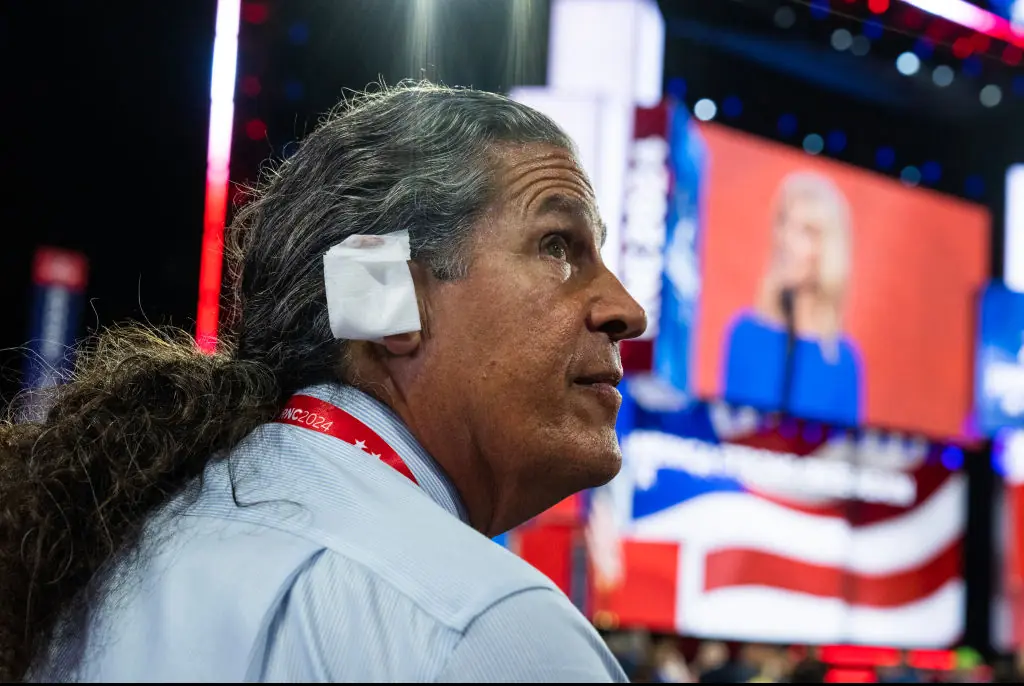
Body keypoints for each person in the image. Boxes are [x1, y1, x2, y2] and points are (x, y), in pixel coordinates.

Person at [0, 82, 646, 682]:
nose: (627, 311)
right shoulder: (479, 628)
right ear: (387, 300)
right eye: (558, 245)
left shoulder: (98, 566)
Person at [722, 171, 861, 427]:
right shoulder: (745, 333)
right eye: (784, 222)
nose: (786, 239)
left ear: (827, 249)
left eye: (806, 231)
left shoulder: (844, 361)